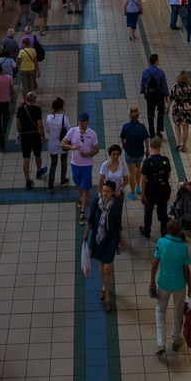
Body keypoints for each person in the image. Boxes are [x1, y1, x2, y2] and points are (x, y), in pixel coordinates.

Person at [152, 218, 191, 354]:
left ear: (168, 231)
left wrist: (152, 281)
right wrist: (190, 287)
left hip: (163, 283)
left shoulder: (161, 242)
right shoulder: (183, 247)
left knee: (160, 311)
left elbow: (155, 264)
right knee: (178, 312)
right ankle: (176, 341)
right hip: (179, 285)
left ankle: (160, 343)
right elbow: (186, 270)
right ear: (179, 232)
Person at [87, 178, 126, 311]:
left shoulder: (115, 208)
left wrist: (121, 238)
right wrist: (86, 234)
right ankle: (104, 286)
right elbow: (91, 221)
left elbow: (118, 224)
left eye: (107, 191)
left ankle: (108, 296)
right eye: (103, 191)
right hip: (98, 239)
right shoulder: (95, 204)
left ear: (112, 192)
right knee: (101, 265)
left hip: (110, 240)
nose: (104, 193)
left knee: (107, 268)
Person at [63, 111, 101, 221]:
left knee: (85, 188)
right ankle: (82, 196)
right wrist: (72, 147)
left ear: (87, 122)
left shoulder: (92, 134)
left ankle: (83, 212)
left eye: (83, 122)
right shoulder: (72, 131)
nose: (81, 123)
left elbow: (96, 149)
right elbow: (62, 143)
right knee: (77, 183)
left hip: (87, 165)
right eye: (80, 121)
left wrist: (88, 154)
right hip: (75, 164)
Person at [139, 137, 172, 238]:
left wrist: (143, 195)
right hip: (163, 192)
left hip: (150, 192)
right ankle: (164, 235)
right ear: (160, 147)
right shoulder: (165, 160)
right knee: (163, 215)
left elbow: (143, 180)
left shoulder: (147, 162)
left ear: (150, 146)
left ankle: (147, 231)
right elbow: (168, 175)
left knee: (148, 212)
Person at [118, 105, 150, 200]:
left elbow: (122, 138)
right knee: (139, 168)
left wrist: (123, 145)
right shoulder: (142, 127)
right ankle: (138, 187)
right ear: (138, 115)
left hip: (129, 153)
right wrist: (147, 150)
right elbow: (146, 140)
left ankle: (132, 192)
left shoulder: (126, 127)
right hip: (140, 153)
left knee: (131, 172)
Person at [16, 90, 45, 190]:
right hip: (35, 136)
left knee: (26, 158)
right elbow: (39, 125)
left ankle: (27, 180)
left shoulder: (20, 109)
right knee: (37, 155)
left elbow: (18, 124)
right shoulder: (37, 110)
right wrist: (43, 137)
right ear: (35, 99)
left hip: (25, 136)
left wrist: (19, 133)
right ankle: (39, 171)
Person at [44, 97, 71, 191]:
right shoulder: (64, 118)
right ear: (61, 107)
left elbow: (47, 130)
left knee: (53, 163)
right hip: (63, 144)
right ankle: (63, 179)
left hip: (52, 144)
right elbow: (69, 131)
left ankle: (50, 185)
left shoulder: (48, 117)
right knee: (64, 161)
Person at [169, 72, 191, 152]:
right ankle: (184, 146)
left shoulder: (175, 87)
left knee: (177, 124)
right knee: (185, 128)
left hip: (177, 109)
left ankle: (179, 142)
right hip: (187, 110)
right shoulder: (190, 87)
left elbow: (170, 98)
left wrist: (167, 107)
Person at [140, 56, 168, 138]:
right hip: (159, 95)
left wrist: (144, 92)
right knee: (160, 112)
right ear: (156, 62)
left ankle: (151, 133)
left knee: (150, 113)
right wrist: (166, 95)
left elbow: (142, 84)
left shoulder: (145, 72)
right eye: (158, 60)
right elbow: (164, 86)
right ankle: (158, 130)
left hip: (150, 95)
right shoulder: (161, 73)